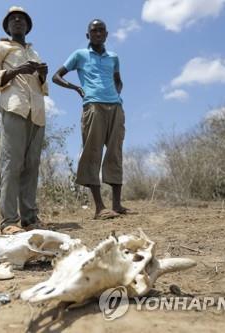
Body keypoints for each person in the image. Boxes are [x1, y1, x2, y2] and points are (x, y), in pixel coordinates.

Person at [0, 6, 48, 234]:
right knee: (11, 164)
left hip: (36, 113)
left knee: (32, 166)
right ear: (7, 26)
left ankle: (29, 219)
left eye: (22, 19)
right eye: (13, 19)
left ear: (28, 26)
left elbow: (42, 86)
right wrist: (16, 70)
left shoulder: (34, 53)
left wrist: (43, 75)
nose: (18, 21)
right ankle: (9, 221)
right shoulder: (1, 47)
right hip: (15, 108)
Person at [52, 19, 129, 219]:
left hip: (116, 107)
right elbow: (56, 76)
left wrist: (115, 94)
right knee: (92, 152)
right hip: (93, 106)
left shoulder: (113, 57)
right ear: (88, 35)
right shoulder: (80, 55)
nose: (97, 33)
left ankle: (117, 204)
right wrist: (77, 88)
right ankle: (99, 208)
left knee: (115, 152)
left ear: (107, 34)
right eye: (94, 31)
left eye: (101, 30)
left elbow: (118, 80)